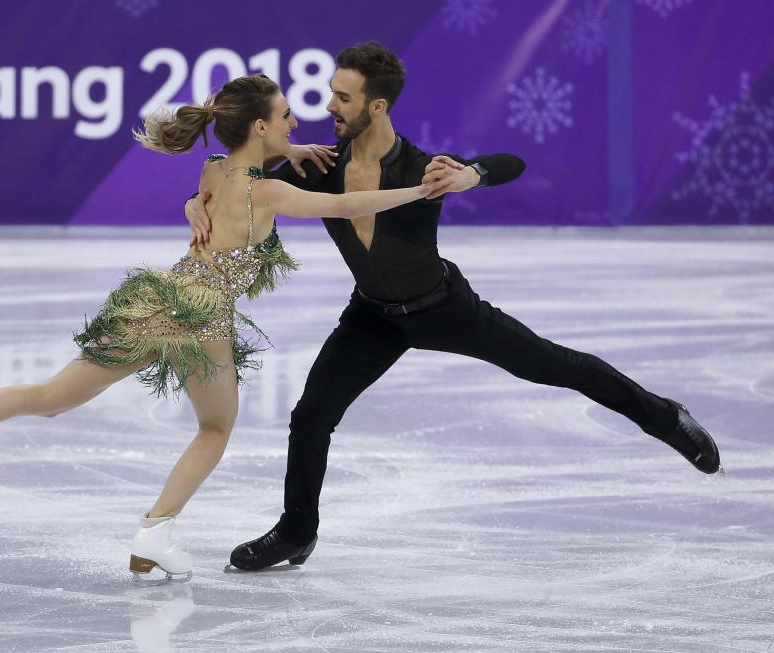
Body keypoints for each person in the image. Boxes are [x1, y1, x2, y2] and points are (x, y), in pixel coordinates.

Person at [0, 73, 450, 581]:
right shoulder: (269, 192)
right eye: (286, 116)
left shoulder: (214, 170)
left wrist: (283, 156)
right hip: (202, 315)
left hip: (159, 297)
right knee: (216, 429)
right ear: (262, 128)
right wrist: (420, 188)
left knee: (49, 397)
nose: (296, 120)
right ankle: (153, 535)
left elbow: (222, 184)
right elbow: (349, 206)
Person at [185, 42, 722, 572]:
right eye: (331, 94)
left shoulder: (424, 169)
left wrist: (472, 175)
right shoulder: (320, 167)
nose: (328, 107)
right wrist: (194, 205)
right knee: (310, 417)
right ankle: (297, 532)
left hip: (443, 307)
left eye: (342, 98)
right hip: (372, 317)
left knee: (556, 366)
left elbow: (511, 162)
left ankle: (664, 417)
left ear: (377, 106)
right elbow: (233, 190)